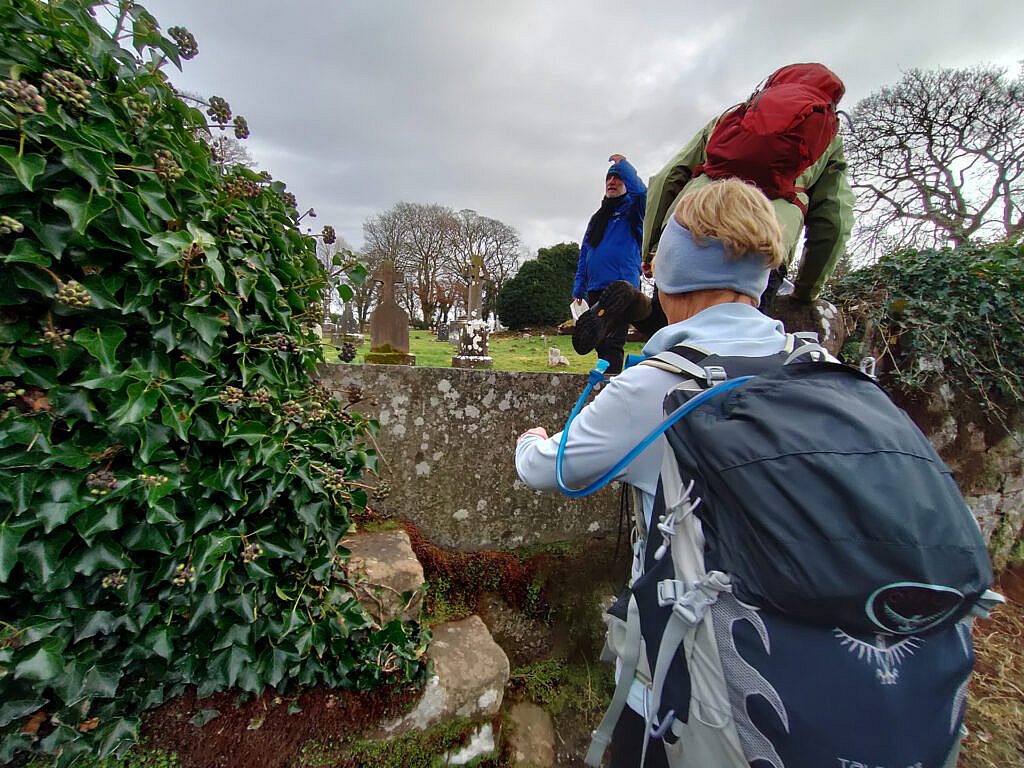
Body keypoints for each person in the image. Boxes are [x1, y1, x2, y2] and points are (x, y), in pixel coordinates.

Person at [516, 178, 967, 768]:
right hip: (838, 674)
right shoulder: (820, 365)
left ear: (670, 273)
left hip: (696, 688)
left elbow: (552, 471)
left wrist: (533, 440)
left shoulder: (657, 385)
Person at [573, 63, 855, 357]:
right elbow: (833, 222)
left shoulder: (731, 118)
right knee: (736, 342)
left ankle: (638, 307)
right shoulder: (828, 142)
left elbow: (666, 178)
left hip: (685, 229)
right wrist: (806, 290)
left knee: (668, 325)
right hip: (758, 239)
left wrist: (654, 250)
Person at [571, 154, 647, 374]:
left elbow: (641, 192)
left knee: (614, 341)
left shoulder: (633, 212)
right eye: (609, 179)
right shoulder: (597, 218)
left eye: (617, 179)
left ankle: (609, 384)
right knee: (600, 341)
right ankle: (607, 381)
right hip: (595, 287)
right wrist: (579, 286)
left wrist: (622, 166)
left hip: (621, 288)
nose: (612, 182)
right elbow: (585, 252)